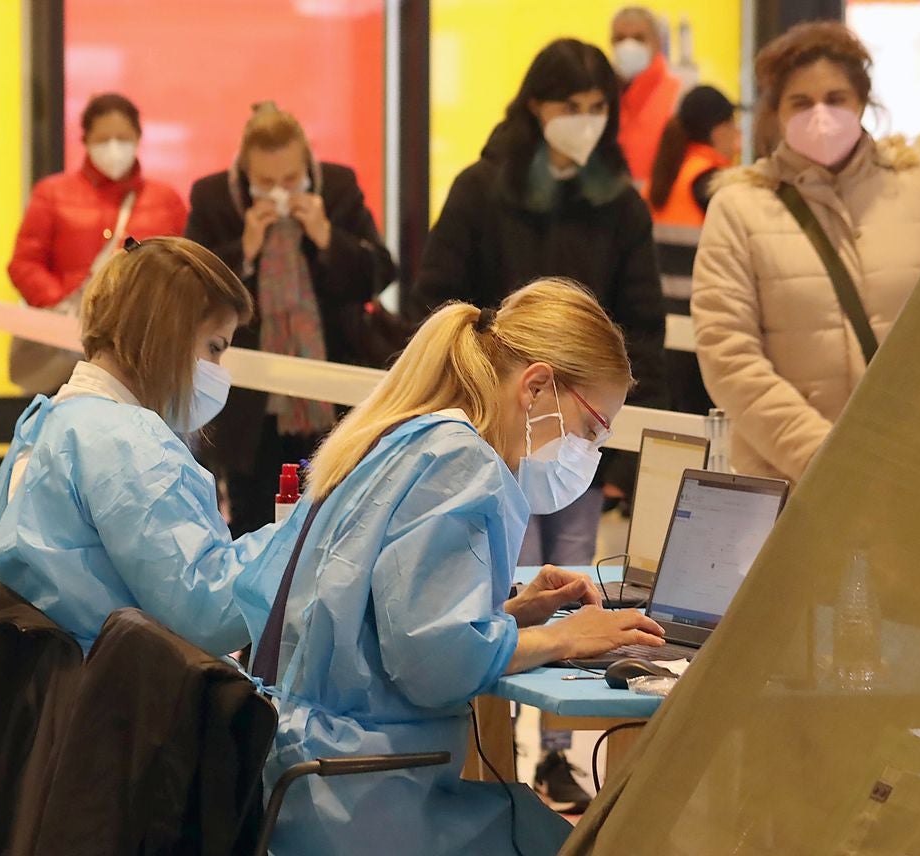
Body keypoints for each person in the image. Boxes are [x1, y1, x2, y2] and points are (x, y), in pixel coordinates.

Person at [234, 279, 667, 855]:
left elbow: (378, 615)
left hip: (307, 773)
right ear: (536, 386)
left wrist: (513, 613)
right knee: (583, 842)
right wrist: (564, 637)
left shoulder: (403, 435)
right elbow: (435, 665)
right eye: (591, 429)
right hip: (359, 796)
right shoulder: (461, 462)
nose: (588, 451)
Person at [406, 38, 667, 810]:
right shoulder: (482, 188)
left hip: (565, 409)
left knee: (558, 576)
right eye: (569, 107)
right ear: (534, 107)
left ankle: (555, 752)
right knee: (512, 566)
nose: (584, 123)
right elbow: (437, 650)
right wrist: (549, 638)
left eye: (598, 109)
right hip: (511, 417)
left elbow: (643, 322)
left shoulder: (619, 199)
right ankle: (527, 744)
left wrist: (601, 434)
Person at [692, 21, 920, 482]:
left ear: (862, 102)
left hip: (918, 469)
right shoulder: (739, 209)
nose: (821, 115)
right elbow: (728, 353)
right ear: (775, 112)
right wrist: (824, 458)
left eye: (836, 99)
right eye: (801, 102)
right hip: (792, 486)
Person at [0, 237, 268, 654]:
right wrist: (305, 535)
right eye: (214, 348)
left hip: (52, 692)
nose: (218, 371)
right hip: (111, 701)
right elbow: (208, 611)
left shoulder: (54, 419)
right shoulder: (126, 443)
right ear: (168, 333)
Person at [185, 102, 396, 537]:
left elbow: (379, 274)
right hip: (251, 400)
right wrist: (243, 249)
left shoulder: (337, 188)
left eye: (289, 179)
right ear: (245, 170)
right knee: (256, 523)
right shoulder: (213, 198)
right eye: (265, 182)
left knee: (340, 519)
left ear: (307, 164)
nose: (279, 191)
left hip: (331, 391)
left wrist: (326, 237)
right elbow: (190, 291)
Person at [8, 93, 187, 310]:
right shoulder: (52, 193)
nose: (114, 148)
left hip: (143, 326)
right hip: (68, 326)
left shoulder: (166, 199)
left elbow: (185, 267)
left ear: (138, 137)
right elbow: (25, 263)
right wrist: (60, 304)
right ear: (86, 140)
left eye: (122, 138)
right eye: (103, 139)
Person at [646, 84, 740, 415]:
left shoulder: (669, 174)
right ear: (719, 129)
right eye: (734, 124)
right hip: (702, 331)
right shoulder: (711, 181)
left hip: (667, 330)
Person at [612, 6, 683, 187]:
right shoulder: (604, 95)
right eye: (620, 39)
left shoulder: (679, 94)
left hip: (661, 209)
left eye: (638, 38)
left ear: (657, 42)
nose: (628, 46)